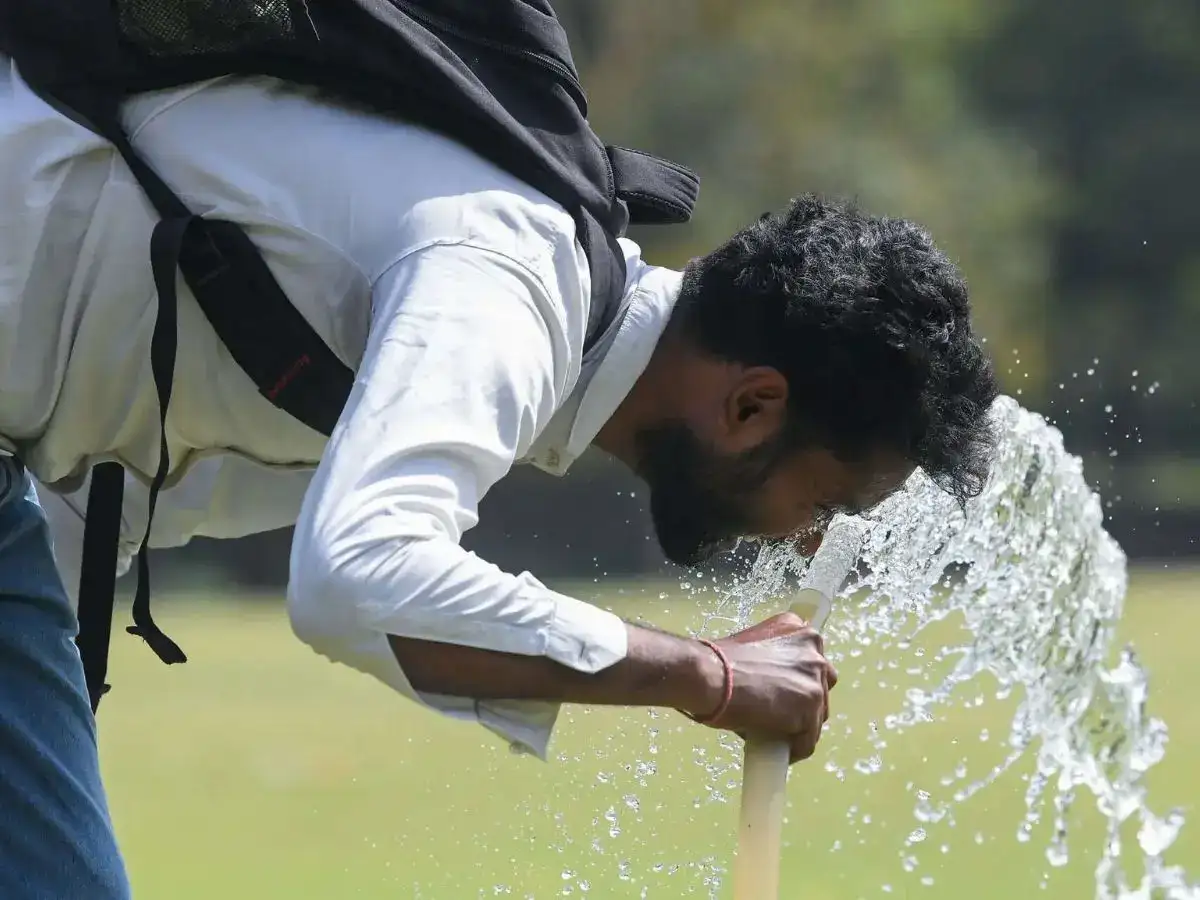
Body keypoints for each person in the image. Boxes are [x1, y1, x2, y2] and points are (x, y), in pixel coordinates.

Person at [0, 53, 998, 897]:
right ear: (751, 406)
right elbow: (354, 578)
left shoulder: (520, 315)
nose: (810, 540)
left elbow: (85, 499)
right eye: (825, 504)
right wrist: (710, 674)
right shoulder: (507, 283)